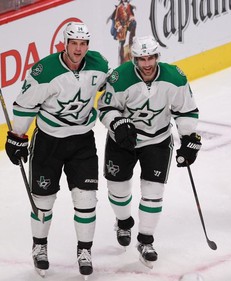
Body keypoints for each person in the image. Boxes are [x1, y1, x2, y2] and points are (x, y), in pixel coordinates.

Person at [5, 22, 111, 278]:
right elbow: (24, 105)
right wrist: (17, 136)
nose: (78, 49)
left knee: (86, 200)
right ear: (65, 43)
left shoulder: (100, 65)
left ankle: (84, 251)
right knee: (43, 200)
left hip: (82, 140)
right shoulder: (45, 71)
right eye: (74, 43)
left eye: (83, 44)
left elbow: (111, 91)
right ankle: (39, 246)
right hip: (48, 142)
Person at [97, 35, 201, 268]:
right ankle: (124, 222)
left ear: (157, 57)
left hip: (158, 140)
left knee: (153, 191)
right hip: (123, 141)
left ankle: (146, 240)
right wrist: (117, 123)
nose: (146, 64)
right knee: (118, 189)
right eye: (141, 59)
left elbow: (186, 110)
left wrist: (187, 137)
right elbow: (105, 108)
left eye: (150, 57)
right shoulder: (119, 77)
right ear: (134, 59)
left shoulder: (175, 77)